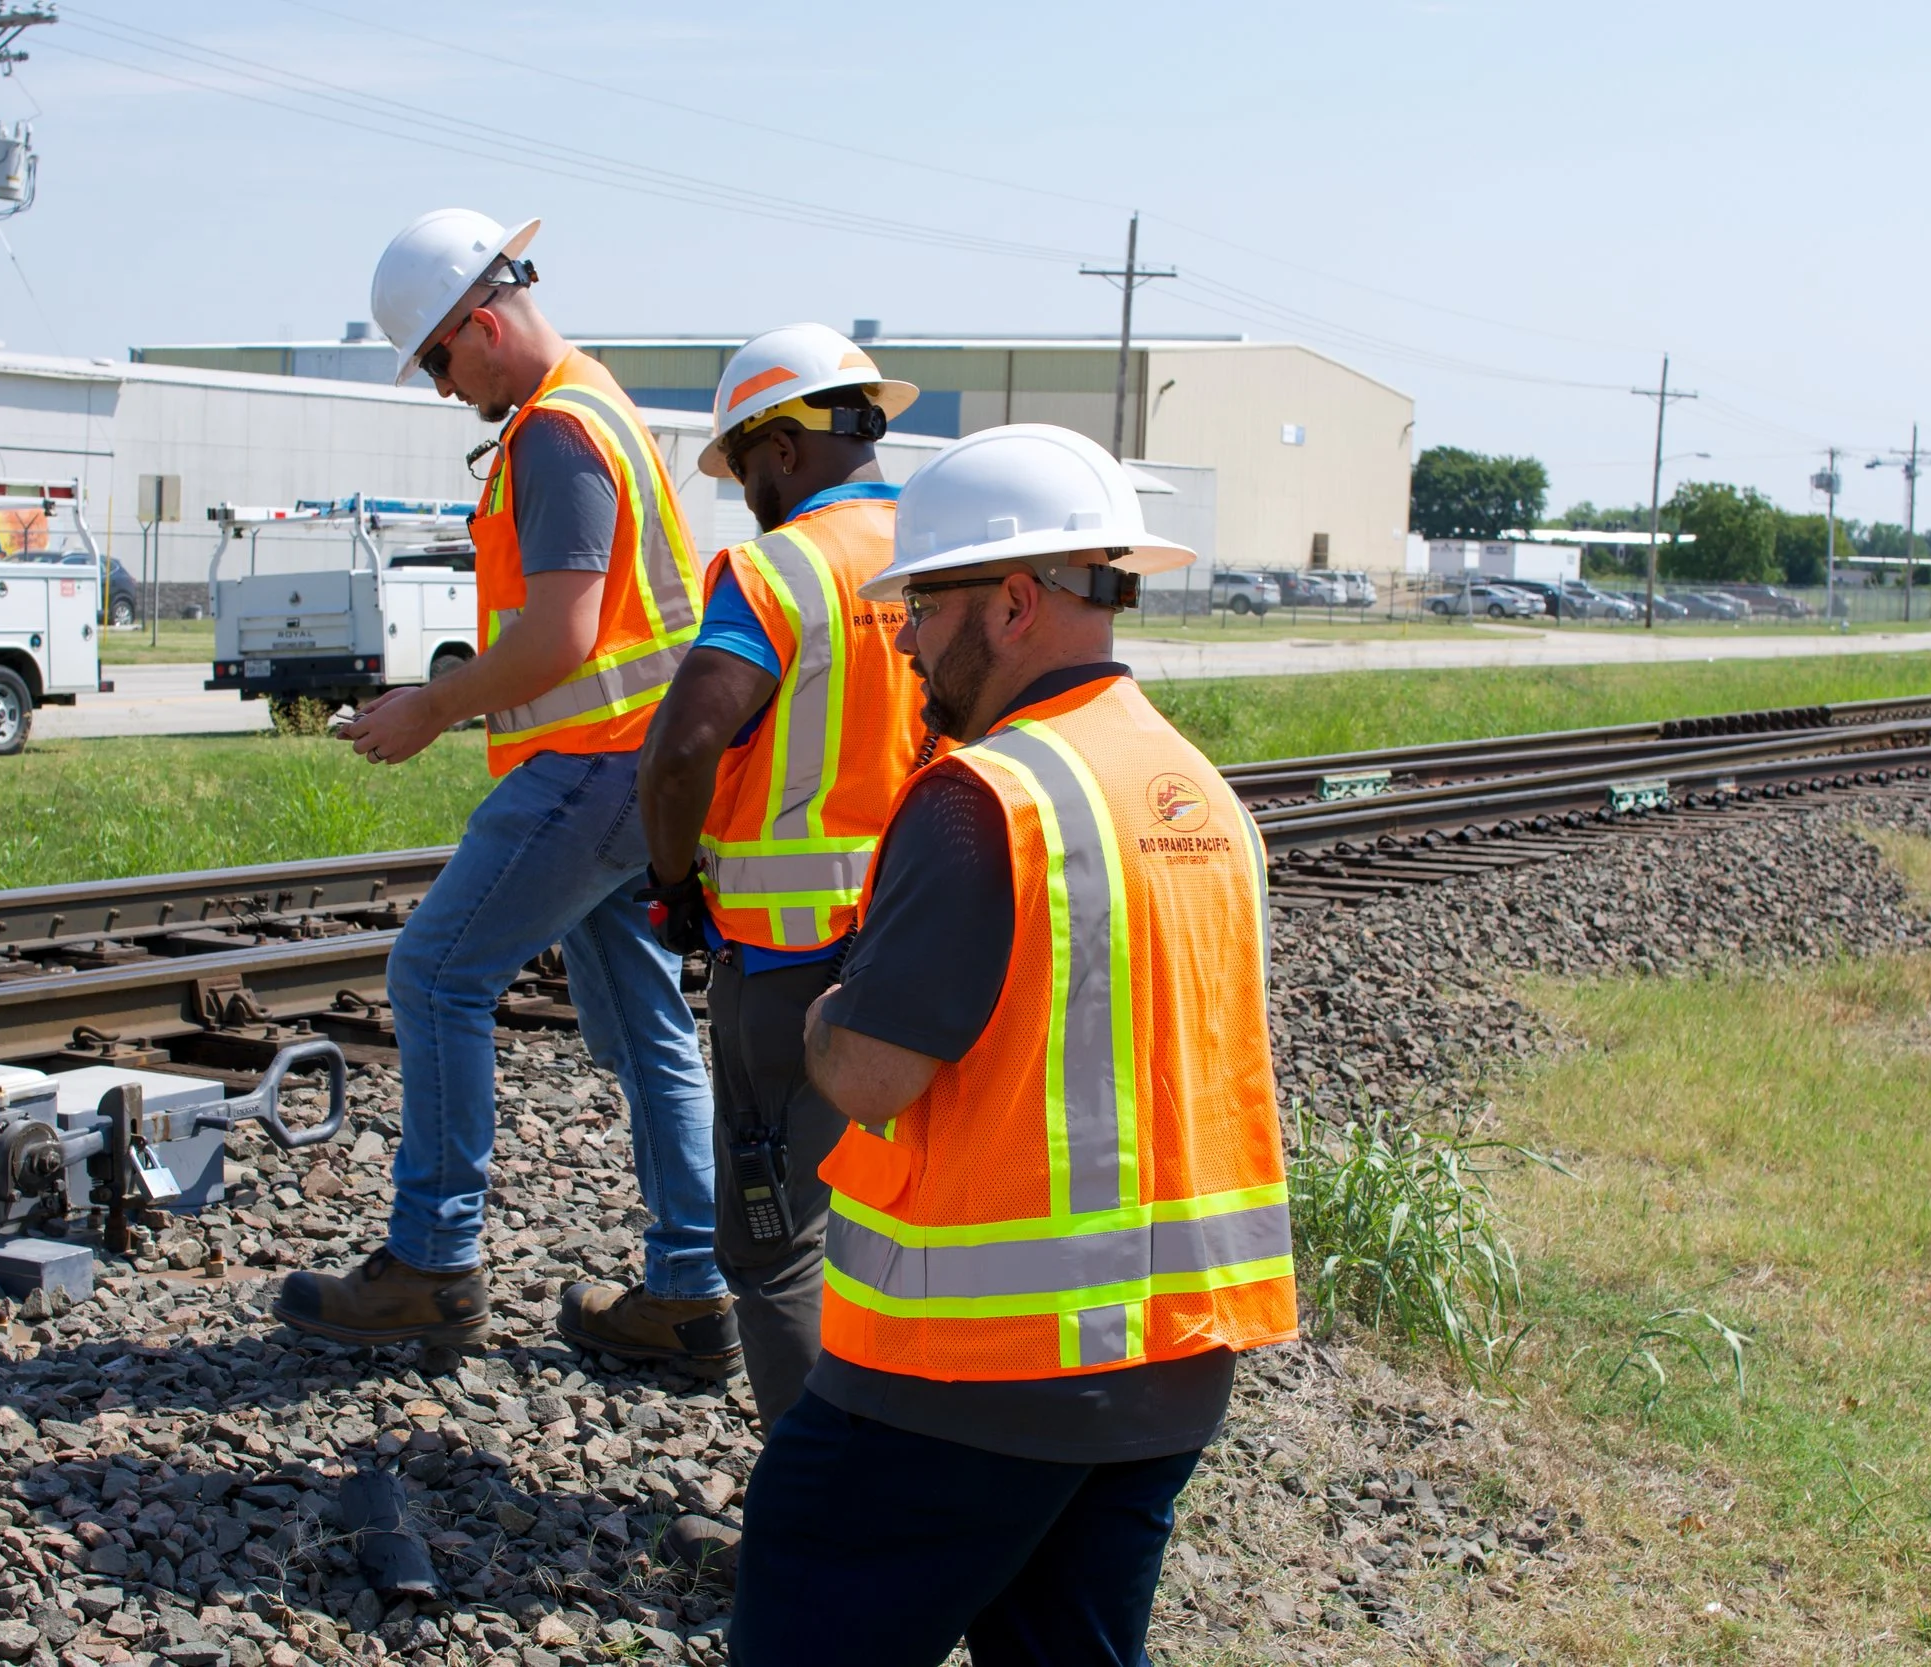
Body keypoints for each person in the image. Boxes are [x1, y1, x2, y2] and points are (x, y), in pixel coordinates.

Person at [729, 424, 1297, 1667]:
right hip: (1167, 1363)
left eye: (920, 607)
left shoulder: (983, 795)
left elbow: (874, 1070)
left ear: (1015, 600)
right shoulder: (1197, 790)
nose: (909, 641)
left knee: (804, 1595)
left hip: (971, 1373)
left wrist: (822, 1015)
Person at [272, 209, 737, 1372]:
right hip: (641, 773)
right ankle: (690, 1290)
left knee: (434, 972)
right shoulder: (602, 407)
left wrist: (431, 706)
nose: (439, 387)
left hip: (589, 770)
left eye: (437, 359)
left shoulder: (557, 435)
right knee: (647, 1028)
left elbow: (565, 634)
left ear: (481, 322)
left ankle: (431, 1263)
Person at [634, 324, 930, 1429]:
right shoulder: (929, 560)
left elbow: (679, 748)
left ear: (782, 448)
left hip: (788, 960)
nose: (744, 490)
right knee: (891, 1225)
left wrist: (673, 885)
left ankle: (819, 1515)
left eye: (742, 465)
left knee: (771, 1245)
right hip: (917, 941)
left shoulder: (776, 569)